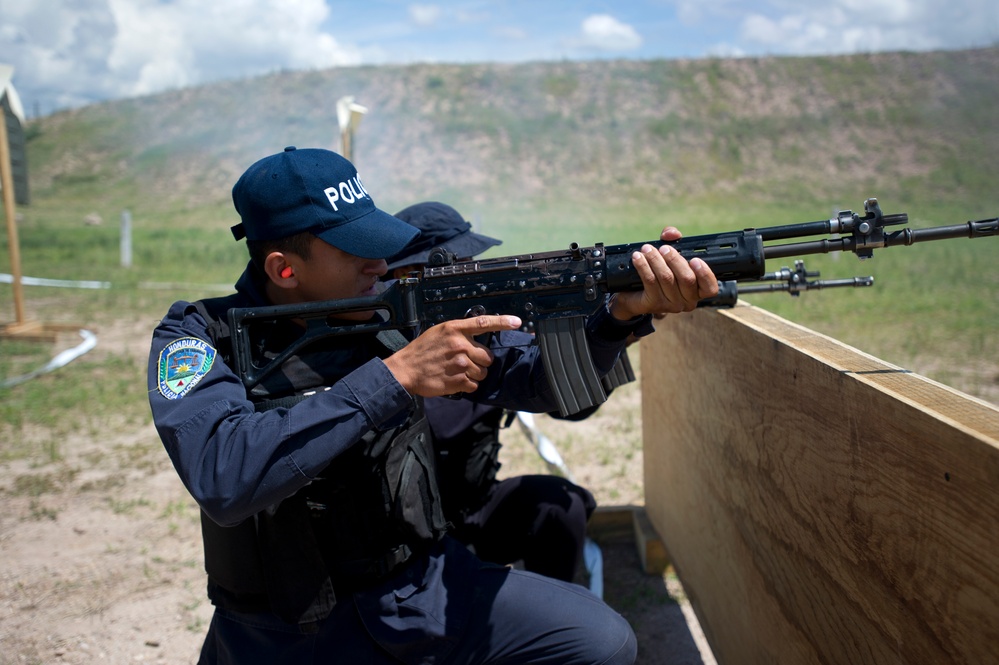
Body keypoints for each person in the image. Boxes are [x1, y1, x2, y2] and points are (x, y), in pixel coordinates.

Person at [147, 146, 718, 664]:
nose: (379, 265)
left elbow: (535, 380)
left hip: (421, 586)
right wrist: (393, 377)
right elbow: (223, 474)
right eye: (356, 250)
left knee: (601, 641)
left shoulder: (391, 311)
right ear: (284, 269)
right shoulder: (199, 338)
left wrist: (618, 318)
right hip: (285, 631)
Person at [386, 200, 597, 584]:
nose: (475, 274)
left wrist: (607, 332)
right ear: (409, 273)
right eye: (462, 265)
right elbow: (444, 424)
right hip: (401, 534)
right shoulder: (387, 346)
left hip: (473, 508)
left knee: (561, 505)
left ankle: (557, 611)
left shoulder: (487, 336)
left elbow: (572, 408)